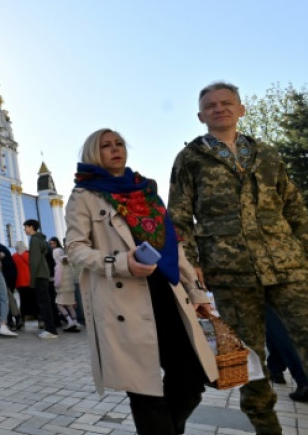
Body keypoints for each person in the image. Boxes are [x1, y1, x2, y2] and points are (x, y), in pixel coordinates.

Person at [168, 82, 308, 435]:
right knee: (248, 361)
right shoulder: (190, 160)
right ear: (200, 116)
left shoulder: (267, 154)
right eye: (211, 106)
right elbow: (178, 217)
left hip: (287, 265)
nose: (219, 109)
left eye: (227, 103)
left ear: (241, 109)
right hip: (229, 271)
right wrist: (191, 263)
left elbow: (295, 208)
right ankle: (266, 429)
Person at [66, 129, 218, 435]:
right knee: (144, 391)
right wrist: (122, 264)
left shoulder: (146, 191)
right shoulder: (83, 195)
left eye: (119, 143)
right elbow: (75, 249)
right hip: (124, 301)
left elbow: (173, 245)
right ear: (94, 154)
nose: (115, 149)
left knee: (191, 381)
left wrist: (196, 291)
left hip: (167, 292)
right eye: (106, 146)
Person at [23, 219, 57, 339]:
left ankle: (50, 330)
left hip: (39, 275)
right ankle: (50, 328)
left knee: (44, 304)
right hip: (43, 274)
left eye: (26, 227)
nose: (24, 229)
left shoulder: (34, 240)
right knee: (46, 303)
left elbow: (34, 261)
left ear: (31, 227)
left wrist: (32, 278)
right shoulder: (40, 239)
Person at [0, 241, 22, 331]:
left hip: (4, 275)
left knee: (6, 298)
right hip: (11, 274)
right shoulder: (2, 246)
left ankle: (11, 320)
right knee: (9, 296)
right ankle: (15, 318)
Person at [53, 252, 80, 332]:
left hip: (62, 289)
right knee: (70, 306)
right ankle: (75, 322)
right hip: (70, 288)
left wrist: (56, 285)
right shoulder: (69, 263)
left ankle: (69, 320)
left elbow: (58, 279)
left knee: (59, 305)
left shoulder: (58, 265)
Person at [12, 241, 37, 322]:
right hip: (30, 281)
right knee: (34, 299)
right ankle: (39, 319)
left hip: (19, 282)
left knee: (23, 301)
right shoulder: (29, 254)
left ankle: (22, 319)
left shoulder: (14, 256)